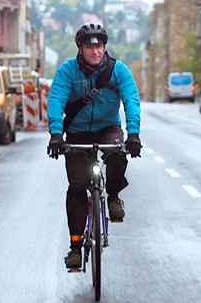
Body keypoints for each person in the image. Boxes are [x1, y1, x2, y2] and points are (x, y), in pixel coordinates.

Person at [46, 22, 142, 269]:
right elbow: (56, 100)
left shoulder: (119, 71)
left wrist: (134, 134)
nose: (95, 51)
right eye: (89, 47)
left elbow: (131, 100)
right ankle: (76, 247)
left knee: (118, 155)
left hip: (108, 128)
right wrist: (56, 134)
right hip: (77, 134)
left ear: (104, 47)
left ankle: (114, 197)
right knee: (77, 186)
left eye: (98, 46)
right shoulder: (67, 71)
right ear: (80, 49)